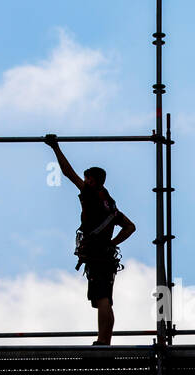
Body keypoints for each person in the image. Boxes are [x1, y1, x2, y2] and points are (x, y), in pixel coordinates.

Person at [44, 135, 136, 345]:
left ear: (93, 181)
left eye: (87, 179)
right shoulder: (110, 205)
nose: (84, 182)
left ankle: (104, 341)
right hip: (107, 257)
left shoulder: (91, 194)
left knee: (102, 299)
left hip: (98, 257)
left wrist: (55, 147)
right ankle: (105, 339)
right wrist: (112, 243)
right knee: (104, 299)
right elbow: (130, 227)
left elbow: (67, 173)